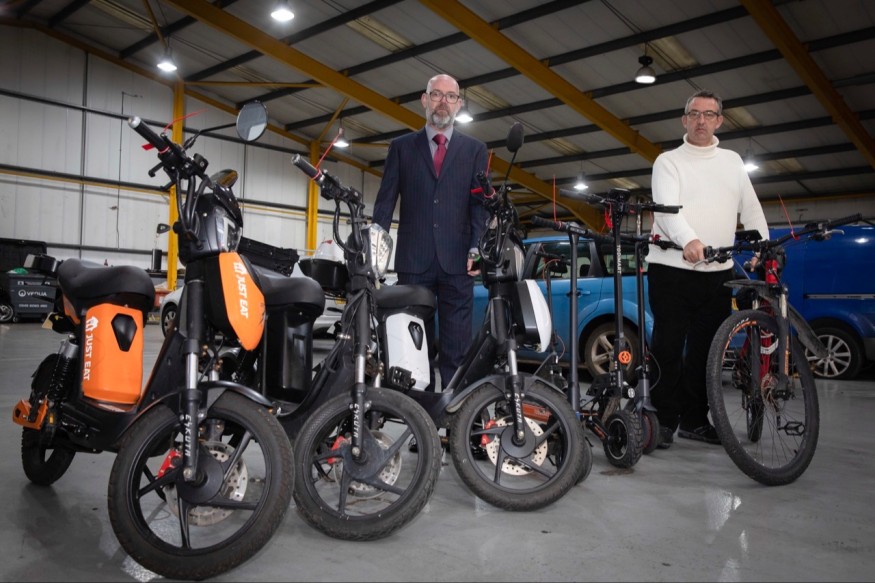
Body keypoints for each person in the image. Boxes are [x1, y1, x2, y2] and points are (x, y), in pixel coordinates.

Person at [647, 89, 769, 449]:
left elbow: (751, 208)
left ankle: (695, 420)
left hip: (718, 274)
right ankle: (663, 419)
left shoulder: (732, 162)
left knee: (706, 353)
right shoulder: (668, 161)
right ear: (684, 120)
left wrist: (762, 244)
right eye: (694, 114)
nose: (701, 120)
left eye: (709, 114)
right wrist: (689, 240)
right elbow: (666, 210)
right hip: (671, 271)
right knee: (668, 348)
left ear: (720, 121)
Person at [372, 73, 490, 393]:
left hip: (459, 263)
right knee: (413, 348)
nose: (443, 102)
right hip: (413, 261)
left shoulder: (475, 150)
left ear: (459, 104)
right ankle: (417, 416)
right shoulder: (401, 148)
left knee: (457, 349)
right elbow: (385, 203)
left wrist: (476, 248)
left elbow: (479, 206)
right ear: (424, 100)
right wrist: (374, 250)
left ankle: (455, 413)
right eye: (436, 94)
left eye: (450, 97)